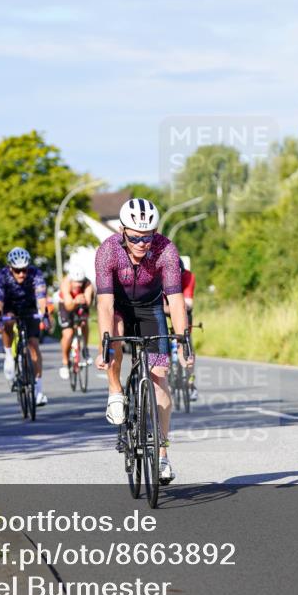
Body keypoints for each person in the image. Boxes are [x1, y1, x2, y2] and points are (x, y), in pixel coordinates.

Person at [94, 198, 192, 483]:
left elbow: (175, 301)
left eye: (147, 237)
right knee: (113, 337)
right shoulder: (107, 251)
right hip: (118, 307)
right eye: (136, 237)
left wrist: (185, 343)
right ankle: (115, 390)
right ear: (123, 231)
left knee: (160, 376)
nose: (142, 243)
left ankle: (162, 456)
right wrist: (104, 345)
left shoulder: (166, 249)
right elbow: (104, 304)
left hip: (150, 309)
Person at [0, 247, 50, 406]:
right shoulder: (2, 275)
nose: (21, 274)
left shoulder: (35, 273)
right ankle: (9, 356)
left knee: (34, 344)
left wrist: (44, 316)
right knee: (8, 321)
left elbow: (41, 297)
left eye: (24, 270)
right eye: (17, 271)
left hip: (29, 307)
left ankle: (38, 391)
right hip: (10, 306)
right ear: (11, 268)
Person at [163, 257, 198, 400]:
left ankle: (191, 383)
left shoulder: (188, 276)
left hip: (183, 309)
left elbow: (188, 304)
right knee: (162, 337)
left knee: (187, 342)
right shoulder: (160, 277)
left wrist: (178, 306)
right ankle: (166, 376)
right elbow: (159, 304)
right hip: (164, 308)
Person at [58, 266, 94, 380]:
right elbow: (68, 306)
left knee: (83, 322)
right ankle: (64, 362)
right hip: (65, 304)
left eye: (80, 282)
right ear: (71, 280)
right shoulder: (65, 283)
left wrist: (82, 300)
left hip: (80, 303)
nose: (78, 285)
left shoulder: (87, 283)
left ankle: (85, 348)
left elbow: (88, 302)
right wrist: (75, 300)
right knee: (68, 333)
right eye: (76, 282)